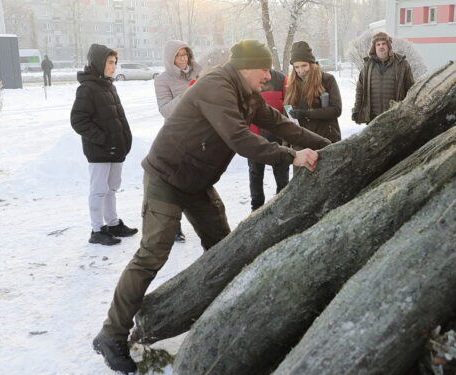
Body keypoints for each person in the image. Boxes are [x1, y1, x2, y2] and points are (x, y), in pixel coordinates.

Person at [91, 39, 330, 373]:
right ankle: (111, 334)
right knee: (151, 255)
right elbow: (240, 139)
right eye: (264, 69)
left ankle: (219, 317)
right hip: (167, 178)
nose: (269, 76)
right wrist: (292, 156)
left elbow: (280, 124)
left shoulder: (247, 93)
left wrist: (331, 148)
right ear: (248, 67)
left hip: (197, 182)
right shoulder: (217, 86)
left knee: (224, 249)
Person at [71, 44, 138, 246]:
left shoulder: (109, 85)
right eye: (110, 62)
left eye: (115, 62)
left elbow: (117, 117)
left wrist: (124, 140)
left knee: (111, 188)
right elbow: (78, 120)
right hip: (99, 151)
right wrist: (103, 139)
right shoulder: (87, 88)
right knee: (99, 190)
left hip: (116, 149)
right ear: (99, 63)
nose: (114, 66)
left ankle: (113, 223)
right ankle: (97, 230)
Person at [154, 40, 202, 241]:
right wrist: (187, 93)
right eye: (178, 56)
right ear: (170, 59)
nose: (183, 59)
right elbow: (165, 109)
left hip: (200, 135)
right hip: (177, 137)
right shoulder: (162, 80)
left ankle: (204, 223)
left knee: (200, 182)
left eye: (185, 55)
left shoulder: (200, 73)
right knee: (176, 184)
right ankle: (174, 226)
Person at [248, 68, 290, 211]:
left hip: (277, 136)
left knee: (282, 174)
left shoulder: (281, 79)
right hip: (254, 136)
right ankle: (256, 206)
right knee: (255, 174)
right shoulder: (248, 80)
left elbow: (288, 105)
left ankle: (283, 204)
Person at [285, 41, 342, 143]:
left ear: (311, 64)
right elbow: (287, 114)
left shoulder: (327, 79)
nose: (301, 71)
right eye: (296, 67)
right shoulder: (292, 84)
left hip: (326, 138)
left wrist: (307, 113)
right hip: (302, 141)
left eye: (304, 65)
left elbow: (336, 110)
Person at [352, 32, 415, 124]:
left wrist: (409, 110)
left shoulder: (401, 64)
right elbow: (360, 91)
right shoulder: (367, 66)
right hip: (373, 119)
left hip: (395, 117)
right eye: (378, 44)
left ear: (389, 46)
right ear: (374, 48)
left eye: (384, 44)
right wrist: (357, 110)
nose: (381, 46)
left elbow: (411, 89)